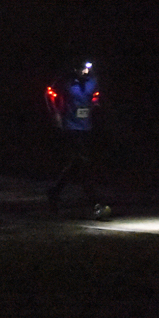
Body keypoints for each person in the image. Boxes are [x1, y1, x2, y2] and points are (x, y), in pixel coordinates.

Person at [45, 60, 108, 218]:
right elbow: (49, 94)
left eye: (86, 69)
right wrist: (57, 114)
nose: (84, 72)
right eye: (81, 69)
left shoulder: (93, 81)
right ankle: (95, 202)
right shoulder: (66, 82)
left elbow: (96, 95)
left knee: (76, 163)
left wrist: (95, 103)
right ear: (75, 69)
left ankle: (54, 192)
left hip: (86, 126)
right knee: (83, 162)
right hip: (71, 126)